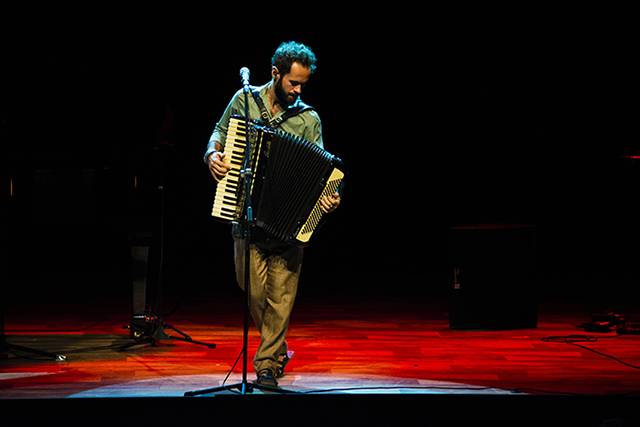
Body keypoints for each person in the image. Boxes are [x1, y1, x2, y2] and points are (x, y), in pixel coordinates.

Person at [204, 41, 341, 387]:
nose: (298, 91)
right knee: (252, 291)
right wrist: (212, 155)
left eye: (303, 85)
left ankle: (266, 366)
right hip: (245, 215)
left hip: (287, 226)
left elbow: (321, 172)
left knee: (281, 298)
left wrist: (328, 198)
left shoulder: (308, 119)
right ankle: (277, 348)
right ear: (275, 73)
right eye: (293, 83)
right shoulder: (244, 100)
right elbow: (219, 132)